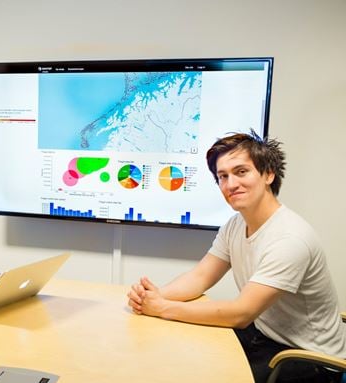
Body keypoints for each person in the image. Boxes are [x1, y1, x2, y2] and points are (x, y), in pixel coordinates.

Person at [127, 131, 346, 383]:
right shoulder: (235, 224)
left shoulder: (290, 238)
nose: (231, 184)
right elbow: (200, 277)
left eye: (241, 172)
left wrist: (163, 308)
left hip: (308, 359)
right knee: (181, 359)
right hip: (264, 335)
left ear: (268, 174)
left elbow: (241, 314)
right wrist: (153, 297)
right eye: (223, 176)